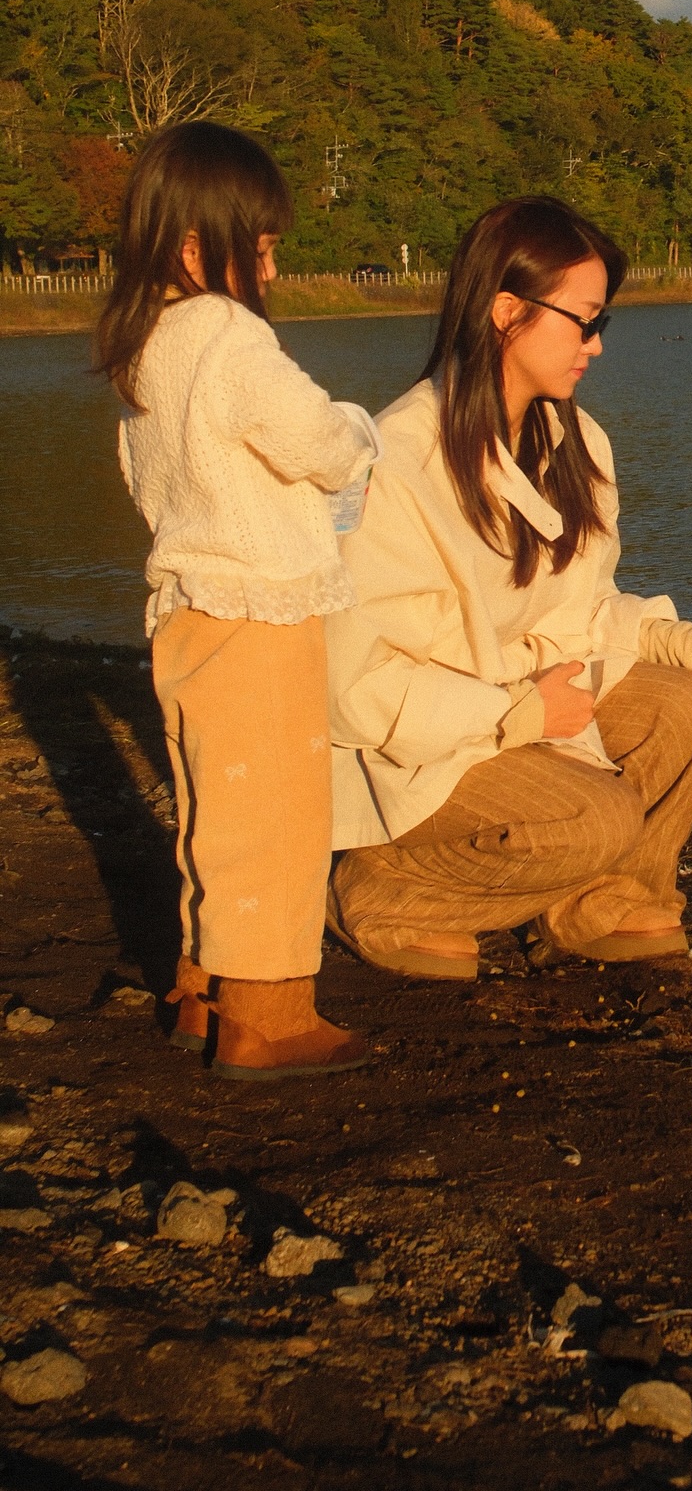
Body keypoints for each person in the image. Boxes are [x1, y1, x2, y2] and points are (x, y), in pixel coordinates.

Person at [325, 195, 692, 979]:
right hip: (424, 746)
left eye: (602, 323)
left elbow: (586, 610)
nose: (596, 347)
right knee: (594, 816)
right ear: (507, 312)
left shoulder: (576, 441)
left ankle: (602, 900)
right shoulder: (394, 464)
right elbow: (354, 688)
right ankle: (387, 888)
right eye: (585, 320)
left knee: (684, 706)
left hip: (534, 706)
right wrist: (518, 715)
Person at [96, 121, 379, 1079]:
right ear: (193, 246)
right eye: (258, 247)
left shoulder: (145, 349)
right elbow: (314, 440)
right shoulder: (226, 333)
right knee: (280, 815)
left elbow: (145, 479)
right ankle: (268, 1012)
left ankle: (201, 987)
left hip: (184, 608)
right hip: (261, 608)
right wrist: (359, 432)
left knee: (214, 807)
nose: (270, 267)